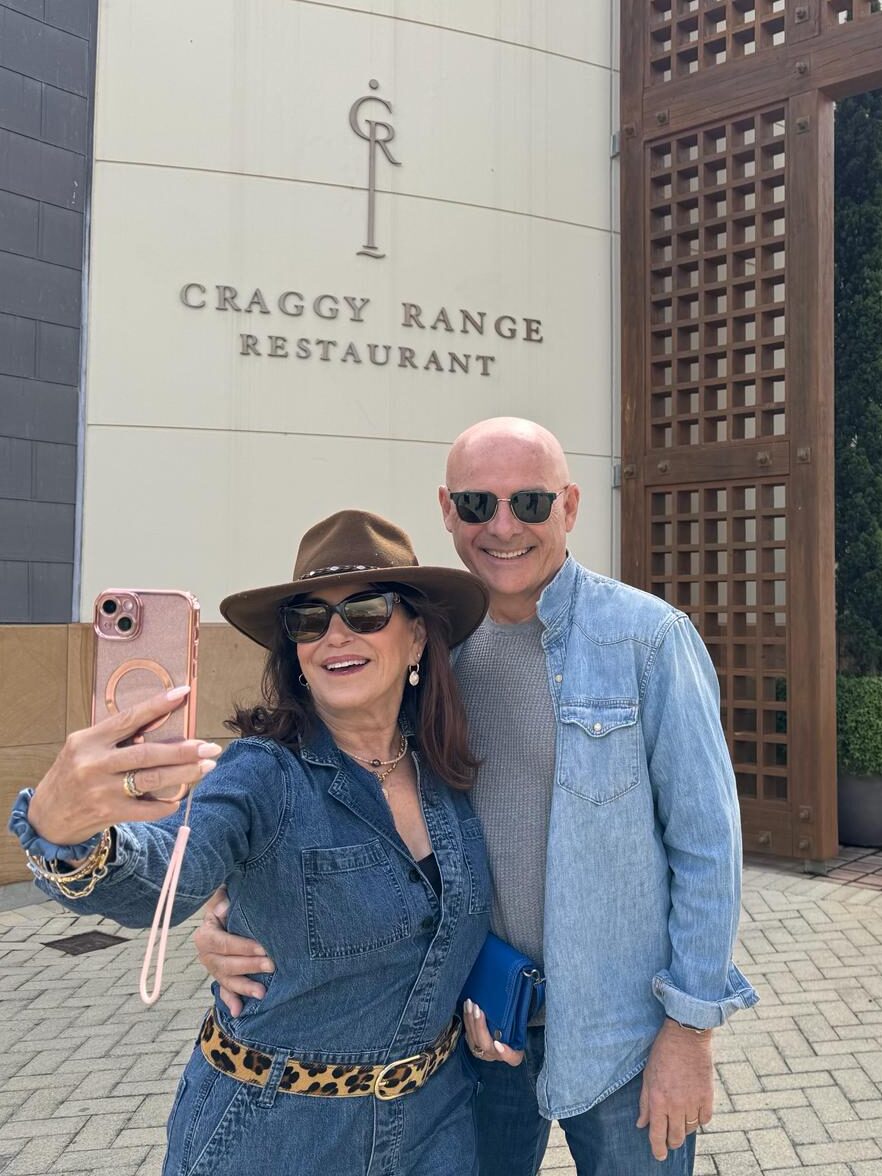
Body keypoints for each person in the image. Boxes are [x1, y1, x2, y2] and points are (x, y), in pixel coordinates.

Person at [196, 418, 758, 1175]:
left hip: (627, 1035)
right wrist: (232, 912)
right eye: (476, 504)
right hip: (478, 1023)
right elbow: (352, 801)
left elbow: (708, 846)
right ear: (446, 509)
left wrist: (691, 1034)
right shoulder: (428, 657)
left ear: (570, 505)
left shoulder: (648, 641)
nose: (502, 527)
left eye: (529, 502)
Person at [8, 510, 493, 1176]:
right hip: (279, 1136)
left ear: (417, 639)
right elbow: (167, 870)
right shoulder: (263, 773)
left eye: (367, 612)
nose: (335, 636)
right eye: (309, 621)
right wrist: (67, 831)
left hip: (438, 1131)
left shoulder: (447, 770)